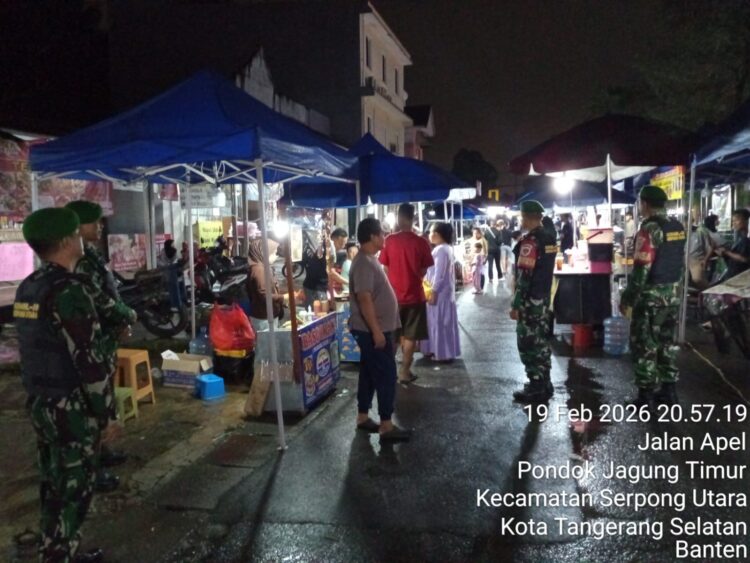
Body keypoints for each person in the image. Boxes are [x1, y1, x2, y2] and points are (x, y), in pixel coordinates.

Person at [16, 207, 130, 563]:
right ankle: (59, 554)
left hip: (42, 403)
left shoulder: (30, 287)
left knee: (54, 484)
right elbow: (89, 362)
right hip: (71, 409)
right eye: (78, 234)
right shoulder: (69, 291)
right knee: (74, 489)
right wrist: (107, 415)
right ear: (68, 240)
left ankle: (58, 549)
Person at [66, 200, 137, 494]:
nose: (100, 226)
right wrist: (125, 315)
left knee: (104, 393)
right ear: (78, 226)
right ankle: (92, 466)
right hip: (93, 340)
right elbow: (98, 299)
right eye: (93, 222)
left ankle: (102, 452)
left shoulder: (91, 255)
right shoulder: (80, 262)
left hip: (105, 338)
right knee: (94, 402)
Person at [619, 185, 686, 408]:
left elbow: (641, 269)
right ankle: (669, 392)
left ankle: (645, 397)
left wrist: (628, 298)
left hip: (651, 298)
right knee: (666, 343)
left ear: (645, 204)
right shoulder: (677, 227)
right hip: (673, 295)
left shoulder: (649, 229)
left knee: (645, 345)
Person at [350, 218, 410, 441]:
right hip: (372, 330)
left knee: (368, 372)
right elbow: (364, 298)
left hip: (376, 329)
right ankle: (386, 424)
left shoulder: (368, 259)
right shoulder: (363, 263)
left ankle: (363, 416)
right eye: (382, 234)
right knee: (386, 374)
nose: (385, 237)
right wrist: (376, 331)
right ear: (373, 236)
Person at [379, 204, 434, 385]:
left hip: (393, 297)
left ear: (398, 218)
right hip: (415, 296)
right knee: (411, 336)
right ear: (413, 218)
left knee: (393, 336)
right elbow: (424, 269)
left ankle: (388, 371)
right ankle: (404, 372)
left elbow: (385, 268)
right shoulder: (421, 242)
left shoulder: (389, 241)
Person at [509, 201, 557, 403]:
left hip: (530, 300)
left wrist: (516, 304)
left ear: (527, 217)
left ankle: (536, 386)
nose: (521, 221)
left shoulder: (531, 241)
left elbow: (525, 276)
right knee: (541, 340)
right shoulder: (549, 237)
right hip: (543, 297)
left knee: (528, 342)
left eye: (522, 217)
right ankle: (545, 382)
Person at [421, 223, 460, 361]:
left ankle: (441, 353)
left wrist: (433, 291)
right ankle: (438, 350)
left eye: (431, 232)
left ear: (437, 234)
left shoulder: (441, 250)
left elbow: (439, 274)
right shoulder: (446, 248)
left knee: (439, 322)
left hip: (439, 293)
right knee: (441, 322)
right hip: (444, 292)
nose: (429, 235)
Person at [302, 227, 348, 309]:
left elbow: (329, 275)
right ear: (336, 239)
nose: (343, 247)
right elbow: (331, 274)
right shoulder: (330, 248)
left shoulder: (323, 244)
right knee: (320, 314)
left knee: (314, 313)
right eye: (342, 243)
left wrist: (332, 295)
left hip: (311, 286)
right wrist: (349, 283)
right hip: (316, 289)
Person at [246, 238, 285, 332]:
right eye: (273, 252)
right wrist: (283, 297)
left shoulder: (262, 267)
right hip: (264, 318)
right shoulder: (259, 270)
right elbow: (264, 295)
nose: (276, 256)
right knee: (267, 341)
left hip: (266, 315)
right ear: (264, 252)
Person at [715, 208, 750, 281]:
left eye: (736, 220)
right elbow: (734, 256)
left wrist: (726, 252)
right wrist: (723, 253)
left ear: (746, 221)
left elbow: (744, 259)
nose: (734, 223)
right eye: (733, 221)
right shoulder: (739, 239)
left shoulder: (746, 240)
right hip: (732, 275)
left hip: (740, 278)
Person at [688, 214, 719, 289]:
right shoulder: (683, 233)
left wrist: (705, 259)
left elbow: (711, 246)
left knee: (698, 280)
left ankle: (708, 293)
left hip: (697, 260)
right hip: (687, 260)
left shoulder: (701, 231)